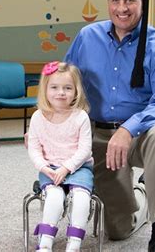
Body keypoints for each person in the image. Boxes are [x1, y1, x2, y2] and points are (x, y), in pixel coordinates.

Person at [64, 0, 155, 252]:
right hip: (98, 136)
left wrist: (128, 129)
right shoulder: (87, 37)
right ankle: (143, 193)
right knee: (117, 231)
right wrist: (46, 124)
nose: (122, 8)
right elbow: (64, 87)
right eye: (115, 0)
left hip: (140, 136)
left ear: (142, 0)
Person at [27, 61, 93, 252]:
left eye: (67, 88)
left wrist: (67, 168)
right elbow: (34, 148)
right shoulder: (38, 117)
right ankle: (45, 241)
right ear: (45, 90)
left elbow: (85, 149)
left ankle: (74, 243)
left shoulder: (80, 116)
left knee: (81, 198)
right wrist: (43, 168)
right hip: (50, 168)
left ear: (76, 91)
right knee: (54, 197)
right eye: (54, 87)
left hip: (78, 167)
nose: (61, 92)